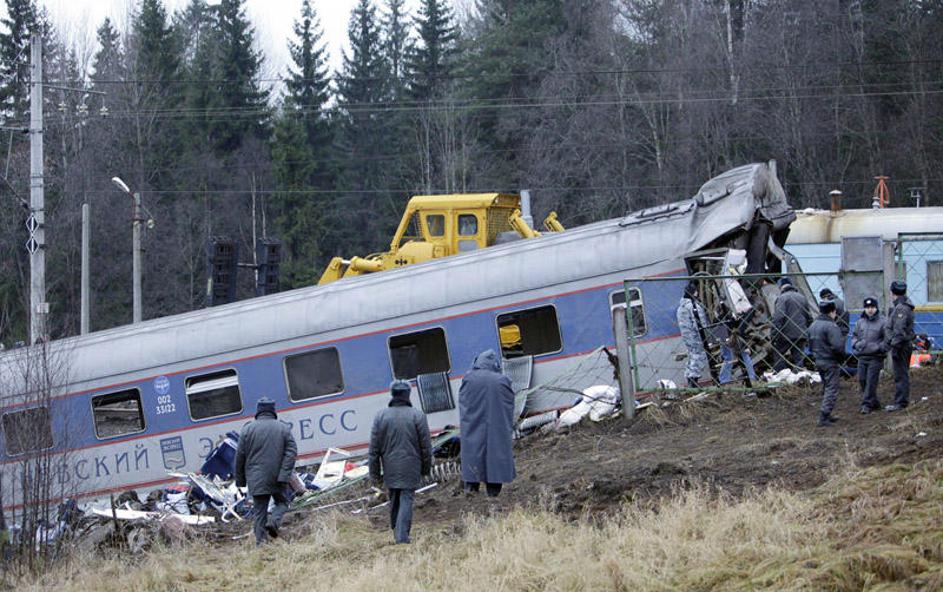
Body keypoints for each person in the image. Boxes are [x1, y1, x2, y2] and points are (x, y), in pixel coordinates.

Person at [368, 380, 433, 545]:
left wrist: (375, 474)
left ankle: (396, 530)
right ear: (407, 395)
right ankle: (402, 537)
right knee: (406, 497)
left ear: (392, 394)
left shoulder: (380, 416)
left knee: (394, 496)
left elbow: (374, 450)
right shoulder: (418, 416)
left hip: (389, 466)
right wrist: (426, 469)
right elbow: (426, 447)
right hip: (411, 465)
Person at [234, 397, 297, 545]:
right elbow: (291, 452)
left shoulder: (247, 430)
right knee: (282, 502)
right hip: (277, 476)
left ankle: (260, 545)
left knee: (259, 512)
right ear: (273, 411)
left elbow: (239, 457)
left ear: (258, 411)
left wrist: (240, 481)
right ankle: (273, 522)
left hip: (256, 478)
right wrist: (284, 475)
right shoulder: (283, 428)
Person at [458, 349, 516, 497]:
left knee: (472, 455)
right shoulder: (502, 380)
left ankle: (471, 490)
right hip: (497, 428)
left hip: (472, 426)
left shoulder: (468, 379)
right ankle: (493, 494)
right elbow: (509, 405)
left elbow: (464, 404)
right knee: (495, 457)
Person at [808, 300, 846, 427]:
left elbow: (810, 344)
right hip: (830, 361)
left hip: (818, 360)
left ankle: (827, 414)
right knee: (832, 388)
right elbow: (838, 346)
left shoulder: (813, 325)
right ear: (832, 312)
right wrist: (841, 358)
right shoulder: (831, 326)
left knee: (826, 386)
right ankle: (824, 416)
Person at [884, 280, 915, 412]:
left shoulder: (901, 308)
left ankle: (901, 402)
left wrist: (895, 346)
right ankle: (901, 400)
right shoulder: (905, 306)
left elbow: (899, 330)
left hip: (901, 346)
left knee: (900, 374)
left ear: (893, 293)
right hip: (903, 345)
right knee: (902, 373)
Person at [851, 297, 887, 414]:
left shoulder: (883, 322)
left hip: (876, 357)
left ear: (876, 308)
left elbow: (887, 339)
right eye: (867, 307)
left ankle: (866, 405)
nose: (870, 310)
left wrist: (878, 348)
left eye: (872, 307)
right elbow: (854, 336)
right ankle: (874, 402)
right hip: (862, 356)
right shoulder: (860, 322)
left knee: (871, 381)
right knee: (862, 380)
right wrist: (856, 344)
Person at [772, 277, 813, 372]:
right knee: (798, 357)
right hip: (801, 333)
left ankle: (782, 374)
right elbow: (809, 317)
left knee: (778, 353)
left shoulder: (782, 298)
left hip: (785, 334)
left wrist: (774, 334)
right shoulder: (802, 298)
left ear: (781, 287)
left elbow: (779, 317)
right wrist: (807, 331)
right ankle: (799, 376)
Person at [676, 281, 709, 388]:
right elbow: (699, 323)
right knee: (699, 356)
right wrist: (705, 336)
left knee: (692, 356)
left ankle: (690, 378)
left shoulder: (680, 308)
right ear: (694, 293)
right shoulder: (693, 306)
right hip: (696, 337)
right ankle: (693, 380)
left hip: (687, 338)